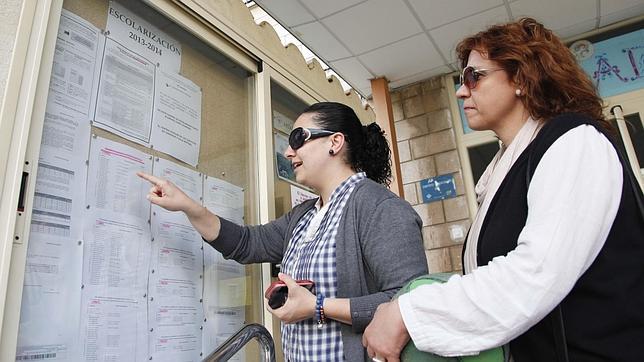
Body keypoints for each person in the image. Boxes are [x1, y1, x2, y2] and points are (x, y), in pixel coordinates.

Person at [362, 17, 644, 362]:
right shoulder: (508, 167)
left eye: (474, 77)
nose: (461, 90)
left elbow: (535, 273)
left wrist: (409, 313)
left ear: (522, 78)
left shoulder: (574, 141)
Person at [138, 101, 428, 361]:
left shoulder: (380, 208)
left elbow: (411, 301)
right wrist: (189, 206)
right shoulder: (303, 216)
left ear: (335, 142)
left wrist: (319, 307)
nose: (289, 151)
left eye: (298, 138)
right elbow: (246, 243)